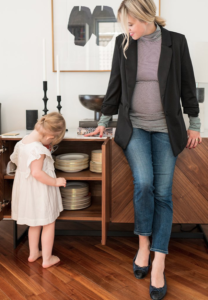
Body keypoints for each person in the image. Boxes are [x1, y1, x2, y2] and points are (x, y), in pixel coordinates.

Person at [85, 0, 202, 299]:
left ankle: (159, 260)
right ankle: (143, 246)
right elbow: (115, 84)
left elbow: (188, 83)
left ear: (145, 17)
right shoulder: (124, 43)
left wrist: (195, 124)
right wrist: (105, 120)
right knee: (145, 183)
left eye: (131, 22)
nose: (128, 28)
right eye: (126, 23)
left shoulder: (176, 42)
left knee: (163, 192)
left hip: (167, 128)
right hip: (134, 126)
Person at [10, 112, 66, 268]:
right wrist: (55, 181)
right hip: (40, 192)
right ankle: (47, 259)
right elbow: (37, 173)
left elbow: (15, 160)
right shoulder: (38, 150)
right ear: (50, 136)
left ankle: (34, 253)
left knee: (34, 224)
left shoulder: (22, 143)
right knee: (48, 223)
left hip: (28, 191)